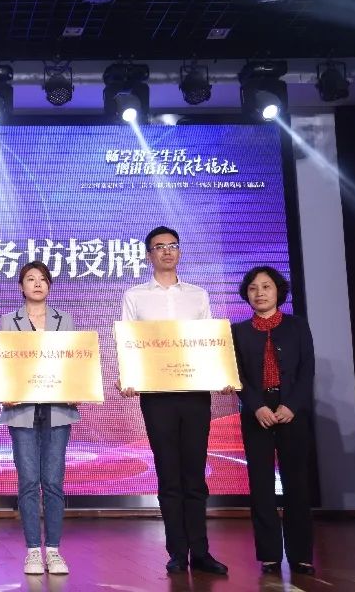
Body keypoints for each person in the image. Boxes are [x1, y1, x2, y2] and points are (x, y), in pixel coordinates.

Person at [118, 226, 228, 575]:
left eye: (172, 245)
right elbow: (129, 343)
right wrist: (129, 377)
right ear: (148, 255)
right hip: (157, 396)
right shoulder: (135, 295)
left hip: (195, 394)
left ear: (179, 252)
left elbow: (209, 341)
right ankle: (178, 552)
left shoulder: (198, 295)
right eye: (159, 246)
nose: (167, 251)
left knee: (195, 474)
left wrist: (222, 374)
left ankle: (202, 551)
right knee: (168, 474)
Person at [232, 266, 316, 576]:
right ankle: (269, 555)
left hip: (292, 411)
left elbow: (307, 370)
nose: (260, 293)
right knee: (261, 485)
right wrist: (256, 406)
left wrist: (292, 405)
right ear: (247, 294)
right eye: (253, 288)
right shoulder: (238, 331)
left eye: (266, 286)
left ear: (278, 291)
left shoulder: (297, 326)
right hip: (257, 413)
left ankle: (301, 555)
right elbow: (237, 376)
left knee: (297, 483)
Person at [0, 261, 79, 576]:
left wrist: (78, 387)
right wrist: (4, 391)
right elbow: (2, 364)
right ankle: (33, 550)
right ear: (21, 286)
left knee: (54, 482)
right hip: (22, 411)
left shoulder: (65, 320)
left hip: (57, 409)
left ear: (49, 285)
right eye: (30, 279)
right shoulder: (9, 321)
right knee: (29, 481)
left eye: (42, 279)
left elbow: (75, 361)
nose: (36, 284)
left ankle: (54, 550)